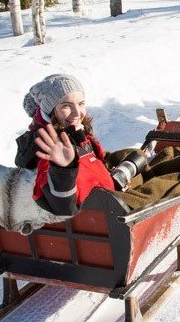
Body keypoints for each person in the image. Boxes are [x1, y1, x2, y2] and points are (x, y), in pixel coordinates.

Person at [16, 73, 114, 216]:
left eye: (81, 104)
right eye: (66, 106)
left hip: (107, 200)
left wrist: (111, 173)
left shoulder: (75, 132)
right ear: (50, 111)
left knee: (135, 156)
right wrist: (63, 169)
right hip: (97, 216)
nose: (77, 113)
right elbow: (62, 207)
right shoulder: (50, 147)